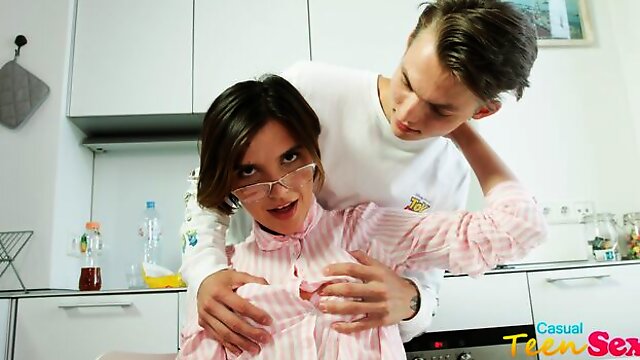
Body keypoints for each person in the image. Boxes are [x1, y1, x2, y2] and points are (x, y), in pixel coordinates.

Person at [180, 0, 539, 356]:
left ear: (484, 110)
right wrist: (205, 273)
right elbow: (211, 179)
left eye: (439, 108)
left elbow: (431, 289)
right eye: (408, 82)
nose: (408, 113)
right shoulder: (311, 87)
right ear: (409, 40)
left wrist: (410, 302)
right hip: (262, 305)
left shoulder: (438, 182)